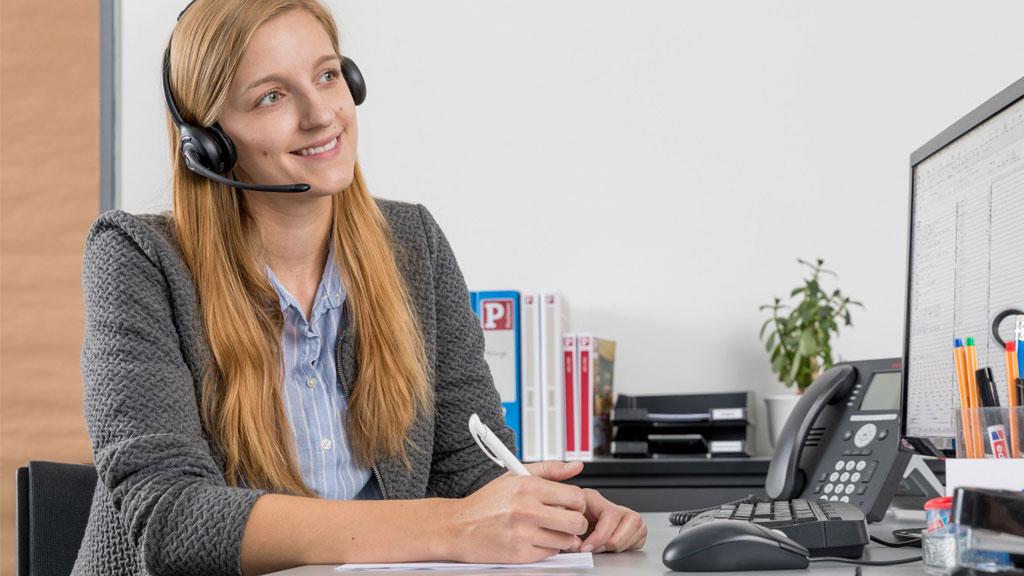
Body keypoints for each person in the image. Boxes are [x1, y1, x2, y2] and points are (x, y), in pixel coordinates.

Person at [73, 1, 646, 575]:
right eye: (271, 96)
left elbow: (468, 468)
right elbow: (173, 519)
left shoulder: (412, 243)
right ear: (209, 141)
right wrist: (453, 526)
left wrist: (549, 515)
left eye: (327, 76)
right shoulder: (136, 258)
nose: (321, 114)